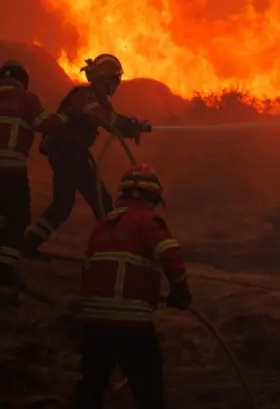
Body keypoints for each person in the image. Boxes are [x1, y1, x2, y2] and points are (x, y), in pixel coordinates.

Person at [74, 163, 191, 409]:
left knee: (91, 383)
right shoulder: (148, 222)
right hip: (131, 323)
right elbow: (171, 256)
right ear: (153, 197)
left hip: (93, 321)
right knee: (148, 385)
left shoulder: (102, 225)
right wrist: (180, 291)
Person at [26, 54, 147, 256]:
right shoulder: (85, 96)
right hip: (70, 153)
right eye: (115, 79)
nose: (117, 83)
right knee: (101, 201)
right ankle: (112, 249)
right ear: (104, 79)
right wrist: (129, 125)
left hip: (66, 153)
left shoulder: (96, 99)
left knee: (63, 204)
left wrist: (133, 126)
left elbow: (112, 119)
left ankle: (30, 241)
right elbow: (103, 119)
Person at [0, 60, 65, 288]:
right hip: (10, 164)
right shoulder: (26, 99)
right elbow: (45, 123)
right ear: (23, 80)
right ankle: (6, 265)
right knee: (19, 214)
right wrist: (66, 118)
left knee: (5, 206)